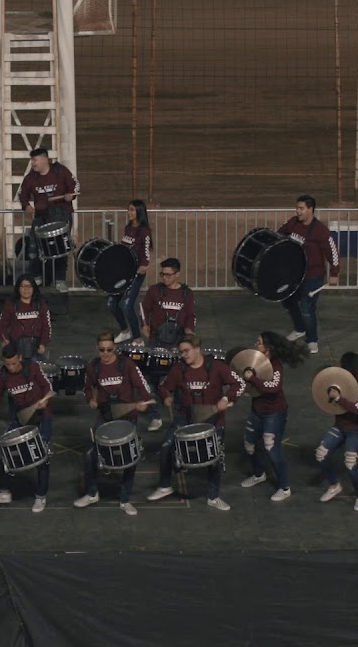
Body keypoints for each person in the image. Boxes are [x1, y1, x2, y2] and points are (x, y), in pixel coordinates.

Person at [146, 334, 246, 510]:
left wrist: (226, 397)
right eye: (181, 352)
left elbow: (239, 384)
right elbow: (164, 386)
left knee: (215, 456)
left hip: (212, 418)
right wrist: (166, 396)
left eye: (187, 351)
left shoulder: (217, 367)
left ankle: (213, 497)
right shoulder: (179, 369)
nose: (184, 355)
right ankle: (165, 485)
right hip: (185, 417)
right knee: (167, 446)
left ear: (197, 348)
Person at [74, 330, 153, 516]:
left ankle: (125, 499)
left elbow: (142, 386)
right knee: (90, 455)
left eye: (109, 349)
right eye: (102, 350)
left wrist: (145, 402)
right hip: (105, 416)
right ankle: (92, 493)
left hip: (127, 416)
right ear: (97, 349)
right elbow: (87, 387)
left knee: (130, 458)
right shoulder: (93, 367)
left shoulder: (127, 365)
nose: (106, 353)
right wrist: (90, 400)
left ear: (115, 347)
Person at [0, 343, 55, 513]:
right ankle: (4, 491)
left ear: (20, 358)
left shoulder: (33, 368)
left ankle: (40, 496)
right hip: (20, 418)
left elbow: (49, 388)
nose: (11, 367)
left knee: (42, 457)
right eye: (7, 364)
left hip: (41, 418)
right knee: (3, 454)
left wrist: (45, 400)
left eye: (14, 363)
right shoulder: (3, 375)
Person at [240, 331, 308, 502]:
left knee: (272, 449)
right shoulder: (254, 362)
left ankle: (285, 488)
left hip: (274, 413)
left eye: (259, 342)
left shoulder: (275, 365)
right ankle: (258, 474)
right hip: (257, 410)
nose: (256, 345)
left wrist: (253, 379)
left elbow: (273, 387)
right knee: (250, 445)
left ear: (268, 348)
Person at [316, 352, 358, 512]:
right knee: (321, 454)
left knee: (350, 465)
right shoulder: (337, 382)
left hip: (356, 431)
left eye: (342, 365)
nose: (339, 367)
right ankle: (334, 485)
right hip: (340, 427)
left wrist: (339, 398)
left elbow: (357, 409)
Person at [138, 256, 197, 430]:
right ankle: (155, 416)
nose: (165, 278)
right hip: (157, 342)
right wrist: (145, 325)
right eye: (162, 275)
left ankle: (181, 418)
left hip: (178, 344)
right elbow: (144, 310)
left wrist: (189, 333)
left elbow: (191, 316)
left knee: (179, 380)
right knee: (152, 379)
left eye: (168, 275)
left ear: (178, 275)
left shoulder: (187, 294)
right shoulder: (154, 291)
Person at [278, 195, 340, 354]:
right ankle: (300, 328)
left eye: (301, 208)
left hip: (313, 275)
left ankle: (312, 340)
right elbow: (280, 233)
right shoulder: (293, 222)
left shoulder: (321, 230)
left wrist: (334, 272)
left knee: (307, 308)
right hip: (294, 274)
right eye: (297, 208)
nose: (298, 211)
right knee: (288, 301)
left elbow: (332, 251)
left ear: (311, 209)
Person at [17, 147, 81, 292]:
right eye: (32, 160)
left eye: (35, 159)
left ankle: (60, 281)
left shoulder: (60, 171)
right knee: (33, 248)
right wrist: (26, 205)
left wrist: (71, 195)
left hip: (61, 215)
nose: (33, 163)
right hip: (41, 217)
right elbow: (22, 193)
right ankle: (37, 279)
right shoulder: (31, 177)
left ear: (45, 159)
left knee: (60, 248)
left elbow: (75, 186)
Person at [109, 199, 152, 344]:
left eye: (132, 210)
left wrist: (144, 265)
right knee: (111, 304)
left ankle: (138, 339)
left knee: (127, 305)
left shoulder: (144, 231)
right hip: (123, 272)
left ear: (139, 212)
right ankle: (125, 331)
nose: (129, 212)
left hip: (136, 274)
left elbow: (145, 252)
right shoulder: (128, 228)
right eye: (129, 210)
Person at [0, 274, 52, 364]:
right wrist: (5, 341)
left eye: (29, 286)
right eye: (23, 286)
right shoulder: (11, 305)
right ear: (18, 288)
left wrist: (43, 344)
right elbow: (2, 326)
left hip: (36, 350)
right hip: (16, 350)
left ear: (34, 289)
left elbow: (46, 327)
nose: (26, 289)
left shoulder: (41, 305)